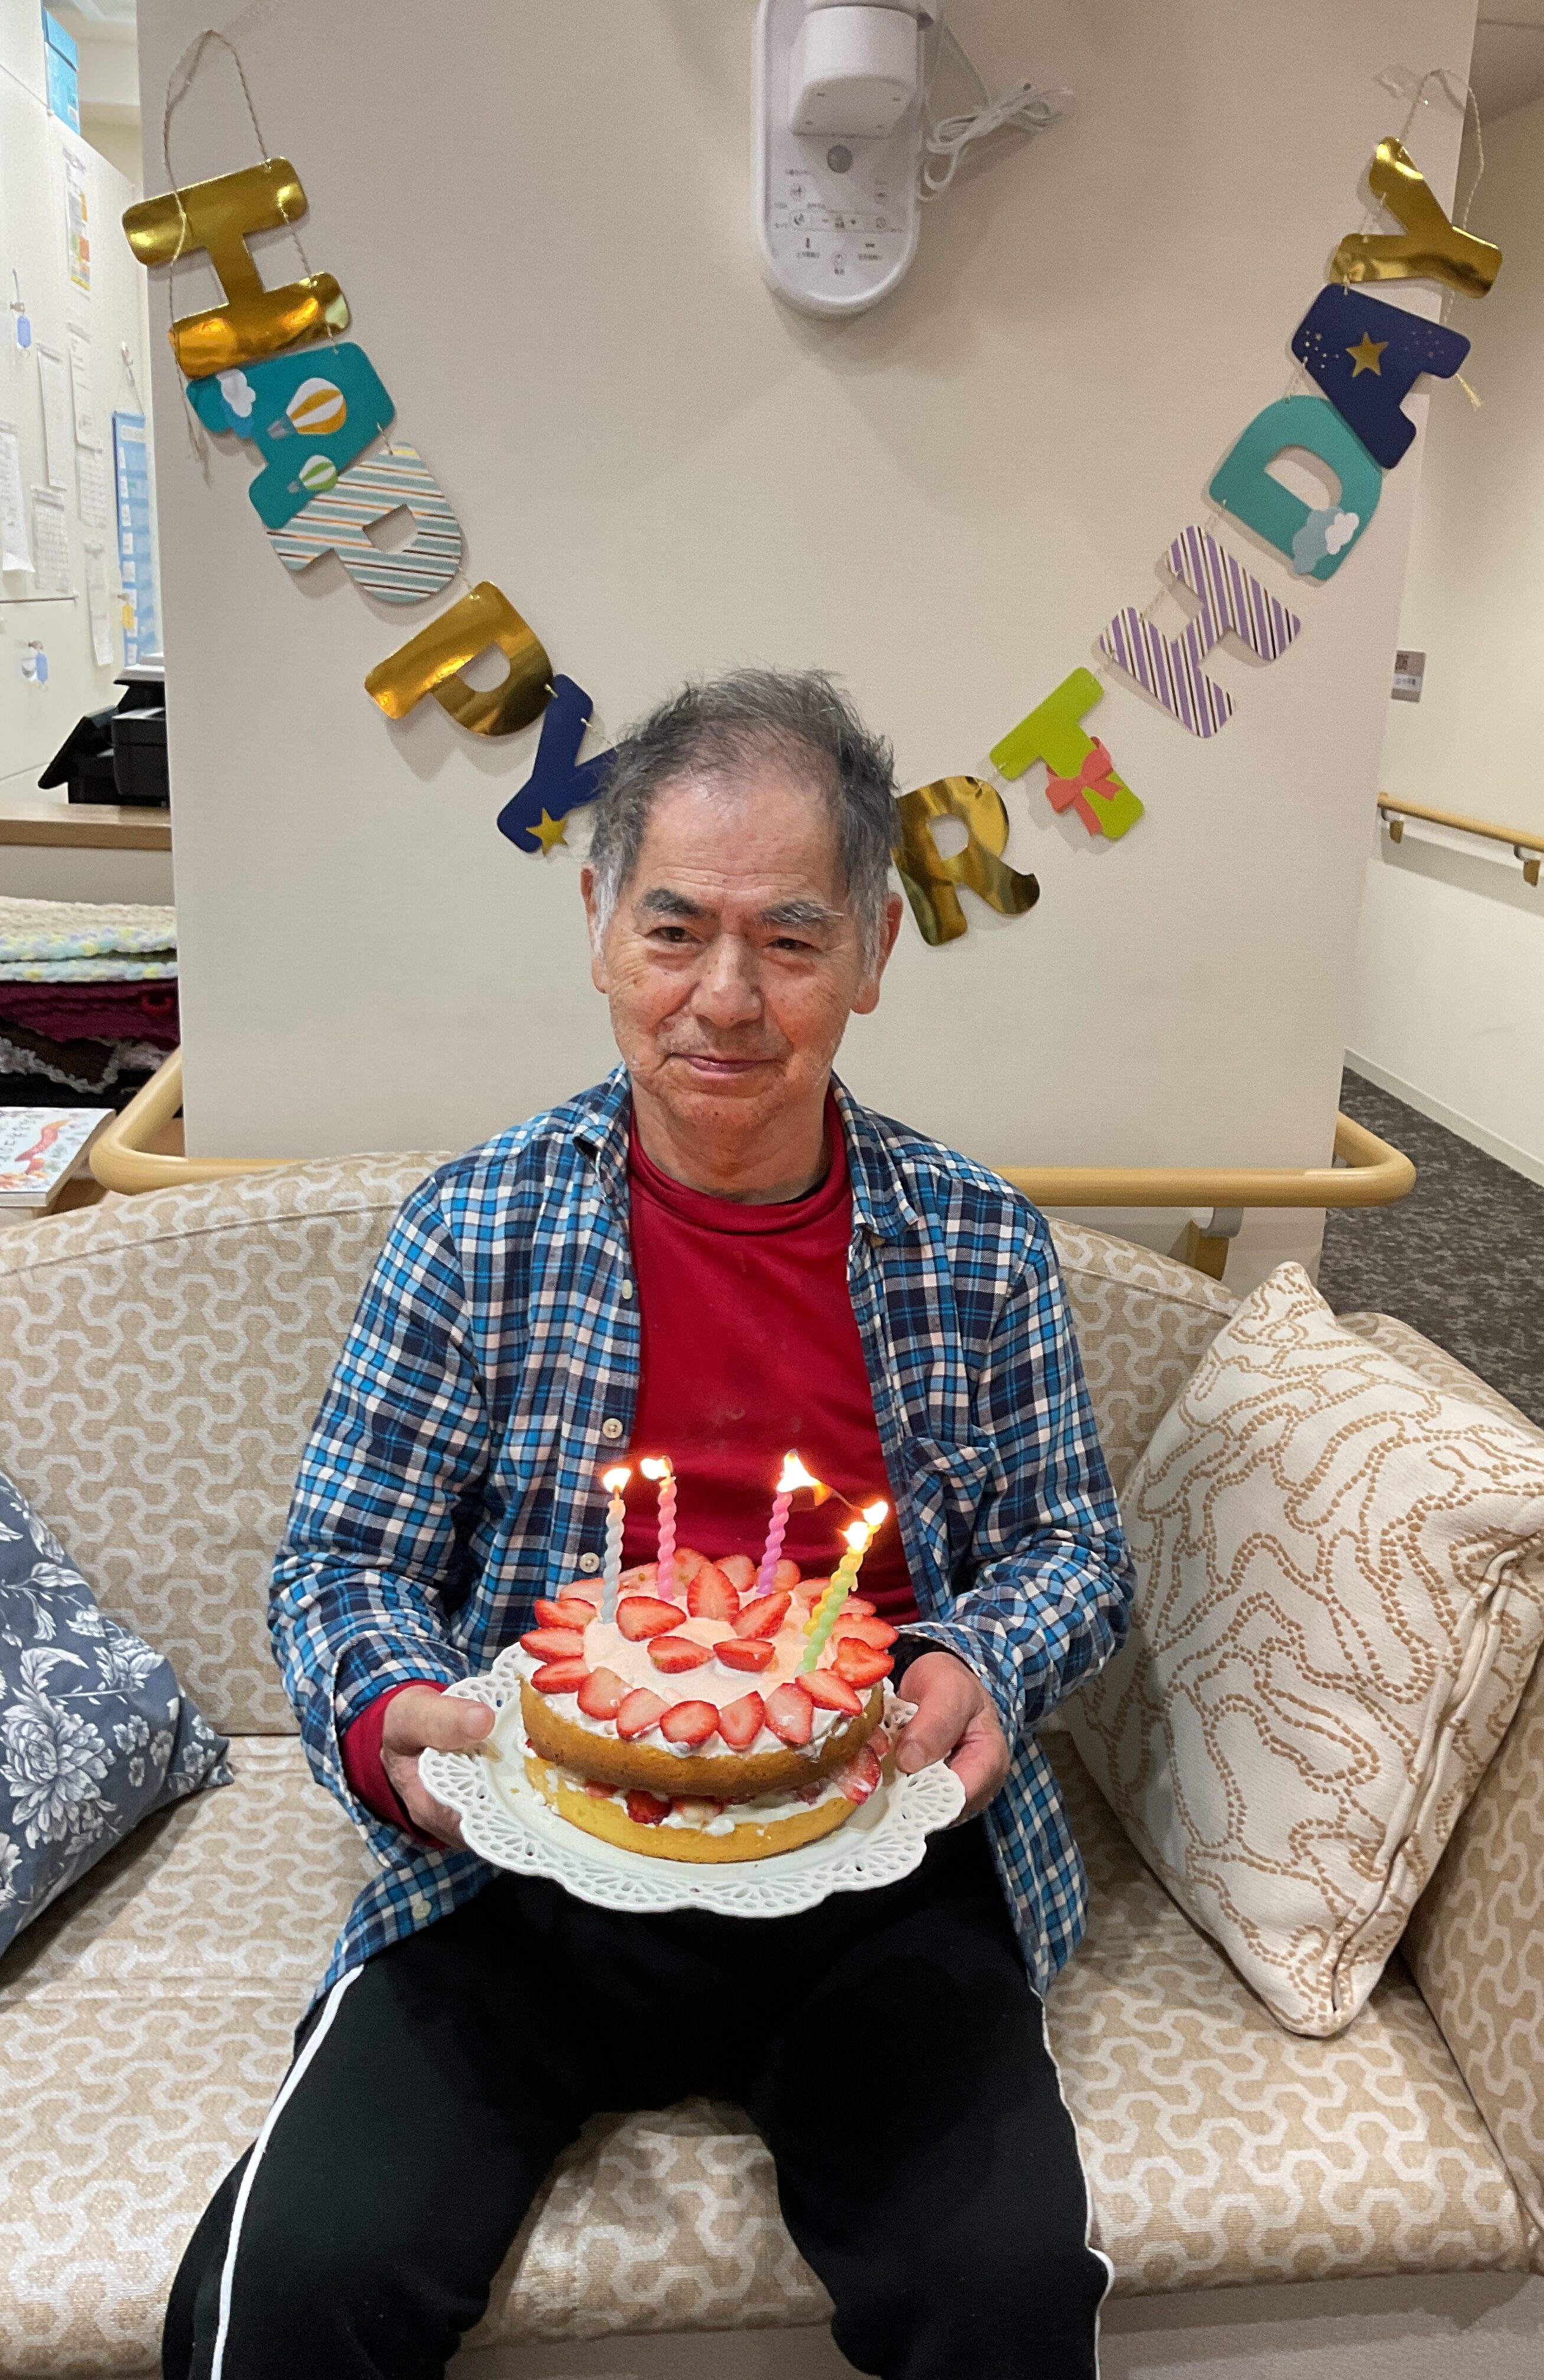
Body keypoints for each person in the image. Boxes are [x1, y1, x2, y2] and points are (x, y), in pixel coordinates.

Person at [164, 669, 1134, 2380]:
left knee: (1001, 2298)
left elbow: (1076, 1547)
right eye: (676, 930)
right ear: (601, 924)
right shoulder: (477, 1226)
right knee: (301, 2286)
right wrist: (397, 1723)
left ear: (876, 951)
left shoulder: (978, 1240)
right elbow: (341, 1562)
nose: (726, 999)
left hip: (875, 1867)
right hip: (522, 1879)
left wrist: (981, 1656)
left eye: (791, 938)